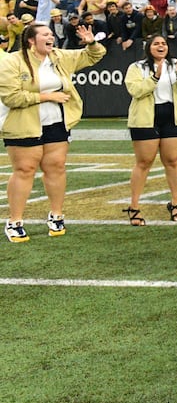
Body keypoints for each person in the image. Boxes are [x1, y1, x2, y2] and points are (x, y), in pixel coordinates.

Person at [1, 20, 103, 242]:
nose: (51, 37)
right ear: (31, 40)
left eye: (51, 34)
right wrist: (48, 96)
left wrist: (91, 43)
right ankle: (14, 221)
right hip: (22, 124)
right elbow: (11, 97)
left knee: (56, 167)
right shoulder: (12, 62)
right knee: (25, 169)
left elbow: (93, 56)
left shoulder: (58, 56)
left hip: (56, 122)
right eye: (45, 34)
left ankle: (56, 215)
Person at [124, 33, 177, 225]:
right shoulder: (136, 67)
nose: (161, 46)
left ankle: (175, 203)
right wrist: (155, 77)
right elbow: (136, 91)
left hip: (171, 116)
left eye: (163, 43)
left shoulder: (175, 64)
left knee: (173, 161)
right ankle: (134, 206)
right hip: (146, 118)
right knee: (144, 162)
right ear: (148, 47)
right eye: (156, 44)